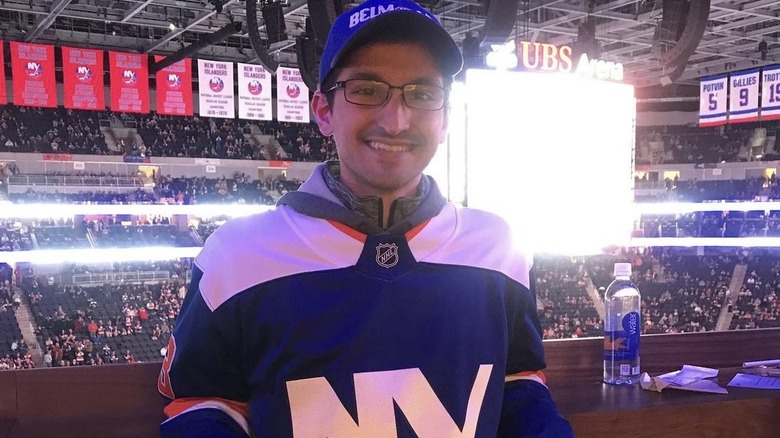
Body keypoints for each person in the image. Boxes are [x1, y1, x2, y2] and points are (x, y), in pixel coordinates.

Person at [158, 0, 573, 436]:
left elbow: (517, 386)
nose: (396, 121)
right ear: (322, 110)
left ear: (446, 117)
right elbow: (202, 407)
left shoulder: (497, 248)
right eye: (367, 89)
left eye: (423, 93)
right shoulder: (237, 257)